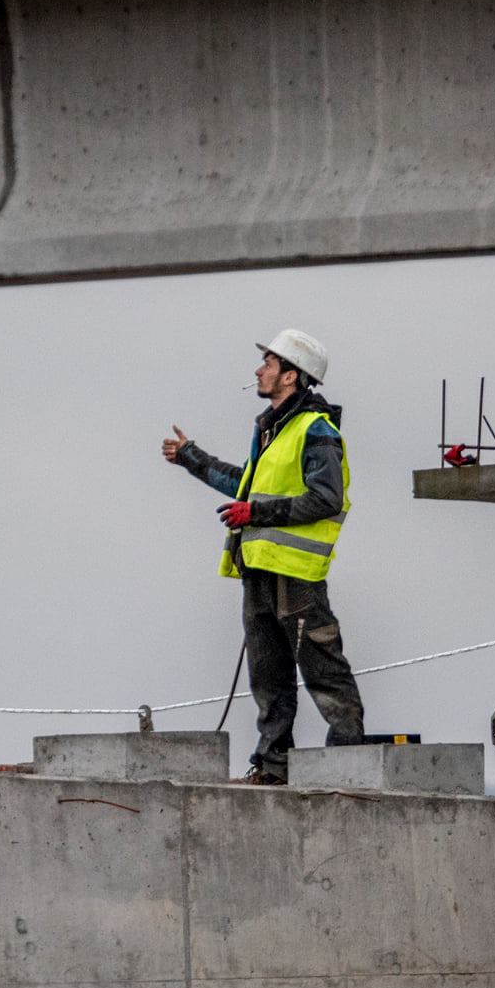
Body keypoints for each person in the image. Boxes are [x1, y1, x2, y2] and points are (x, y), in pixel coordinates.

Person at [162, 329, 364, 784]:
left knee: (323, 670)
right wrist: (191, 458)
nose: (259, 369)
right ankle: (274, 767)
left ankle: (351, 765)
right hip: (259, 572)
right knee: (268, 678)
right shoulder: (273, 429)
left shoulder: (315, 430)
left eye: (268, 363)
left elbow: (326, 499)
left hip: (295, 575)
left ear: (291, 375)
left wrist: (256, 511)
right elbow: (248, 486)